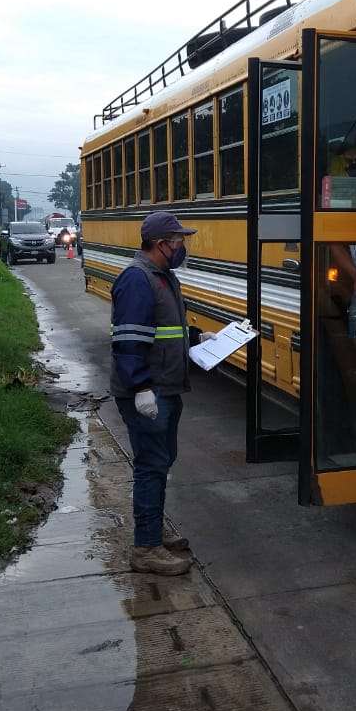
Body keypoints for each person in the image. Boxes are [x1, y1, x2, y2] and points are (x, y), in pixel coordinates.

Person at [110, 211, 216, 575]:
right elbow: (128, 340)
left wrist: (197, 338)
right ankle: (146, 549)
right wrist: (141, 389)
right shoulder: (137, 280)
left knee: (161, 460)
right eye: (179, 241)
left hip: (166, 387)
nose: (183, 246)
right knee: (151, 466)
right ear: (161, 244)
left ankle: (152, 533)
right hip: (149, 391)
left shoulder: (162, 276)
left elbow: (166, 329)